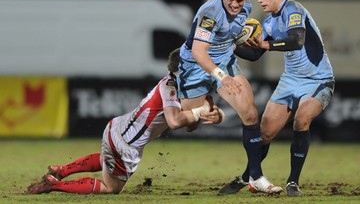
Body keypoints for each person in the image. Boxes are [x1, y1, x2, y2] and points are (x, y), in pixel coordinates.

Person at [26, 48, 224, 195]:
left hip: (117, 128)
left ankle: (63, 170)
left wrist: (215, 115)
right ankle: (54, 185)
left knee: (108, 160)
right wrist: (201, 110)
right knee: (111, 188)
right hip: (126, 143)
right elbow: (174, 122)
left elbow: (190, 124)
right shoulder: (170, 86)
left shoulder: (183, 87)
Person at [220, 0, 335, 197]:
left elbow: (296, 41)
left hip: (318, 80)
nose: (259, 0)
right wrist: (231, 47)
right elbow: (254, 55)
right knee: (264, 135)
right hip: (290, 81)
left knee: (302, 121)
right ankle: (248, 177)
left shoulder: (293, 9)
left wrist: (263, 45)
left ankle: (293, 182)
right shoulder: (270, 21)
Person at [178, 0, 282, 194]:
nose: (235, 5)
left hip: (225, 63)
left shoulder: (246, 9)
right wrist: (221, 77)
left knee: (251, 114)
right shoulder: (210, 12)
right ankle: (207, 103)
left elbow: (229, 40)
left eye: (240, 0)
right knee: (189, 124)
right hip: (196, 67)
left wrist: (247, 45)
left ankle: (256, 177)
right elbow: (198, 52)